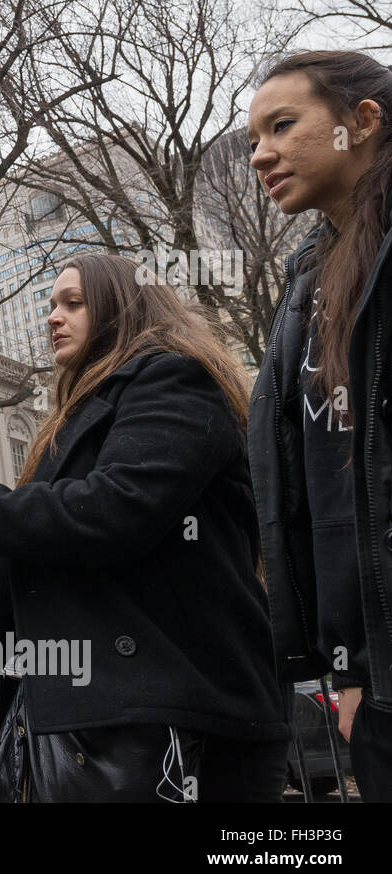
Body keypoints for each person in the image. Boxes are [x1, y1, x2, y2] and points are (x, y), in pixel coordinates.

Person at [0, 254, 290, 802]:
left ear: (121, 307)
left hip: (174, 720)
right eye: (52, 305)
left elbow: (115, 511)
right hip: (95, 722)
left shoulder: (175, 376)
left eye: (73, 304)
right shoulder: (73, 418)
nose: (54, 317)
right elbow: (29, 576)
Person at [246, 50, 392, 801]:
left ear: (361, 123)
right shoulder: (310, 279)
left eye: (281, 126)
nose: (261, 154)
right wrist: (353, 667)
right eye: (252, 141)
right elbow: (323, 493)